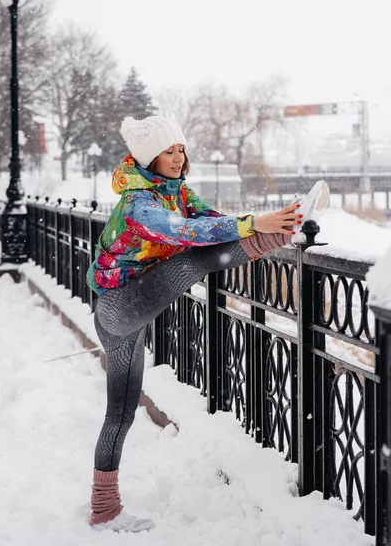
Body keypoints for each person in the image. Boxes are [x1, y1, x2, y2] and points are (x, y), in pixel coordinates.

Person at [86, 115, 325, 534]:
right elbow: (183, 232)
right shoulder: (140, 204)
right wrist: (259, 225)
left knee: (120, 412)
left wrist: (256, 223)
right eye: (168, 152)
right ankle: (285, 231)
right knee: (191, 260)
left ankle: (104, 508)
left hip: (138, 301)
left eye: (181, 150)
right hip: (120, 306)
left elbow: (212, 224)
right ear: (149, 159)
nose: (178, 158)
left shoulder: (178, 193)